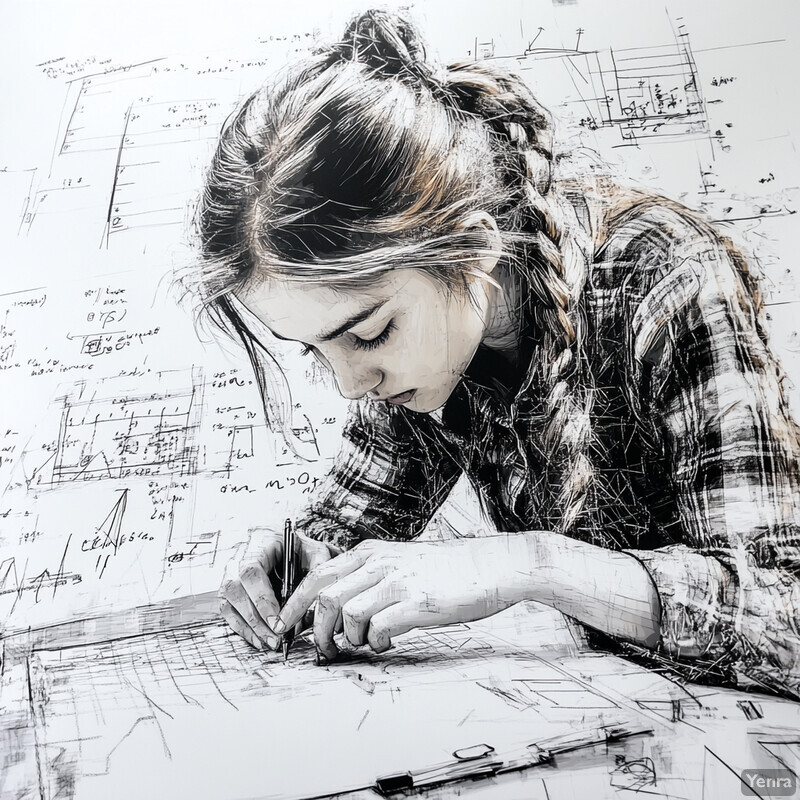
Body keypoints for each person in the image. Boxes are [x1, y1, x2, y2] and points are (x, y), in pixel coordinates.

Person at [192, 9, 800, 699]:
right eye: (314, 351)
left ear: (475, 250)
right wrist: (298, 564)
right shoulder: (430, 357)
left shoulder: (666, 277)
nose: (350, 382)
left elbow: (783, 612)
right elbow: (349, 520)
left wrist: (532, 563)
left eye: (367, 334)